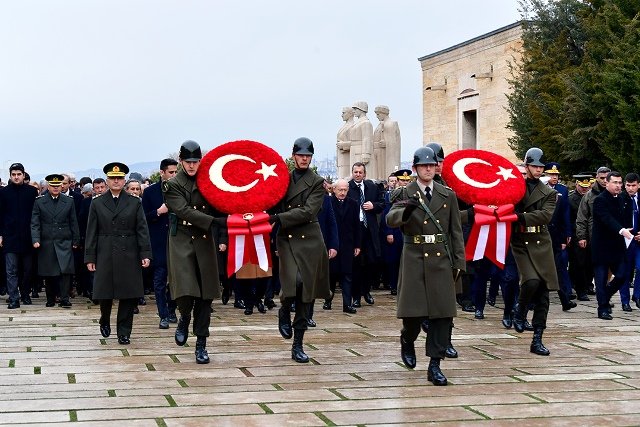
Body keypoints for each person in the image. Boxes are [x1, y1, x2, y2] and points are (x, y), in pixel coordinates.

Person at [386, 146, 465, 386]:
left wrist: (459, 262)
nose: (428, 169)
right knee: (414, 313)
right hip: (414, 257)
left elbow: (455, 231)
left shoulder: (446, 194)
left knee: (442, 315)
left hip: (441, 259)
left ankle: (435, 365)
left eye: (431, 165)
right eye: (423, 166)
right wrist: (406, 209)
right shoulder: (405, 192)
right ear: (415, 168)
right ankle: (407, 340)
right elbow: (390, 219)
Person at [163, 140, 225, 364]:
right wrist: (216, 221)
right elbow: (184, 210)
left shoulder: (208, 182)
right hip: (181, 240)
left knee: (205, 296)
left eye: (195, 161)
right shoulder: (172, 185)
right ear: (180, 162)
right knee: (186, 288)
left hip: (204, 241)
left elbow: (221, 202)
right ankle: (183, 316)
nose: (191, 166)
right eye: (188, 162)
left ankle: (201, 344)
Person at [270, 137, 331, 363]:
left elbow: (308, 211)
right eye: (301, 155)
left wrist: (277, 217)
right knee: (292, 283)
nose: (304, 159)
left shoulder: (316, 182)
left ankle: (298, 344)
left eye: (308, 156)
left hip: (310, 239)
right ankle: (284, 308)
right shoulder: (281, 179)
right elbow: (271, 200)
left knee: (307, 291)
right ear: (293, 156)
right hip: (286, 238)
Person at [85, 162, 152, 345]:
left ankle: (124, 331)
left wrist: (145, 253)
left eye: (119, 178)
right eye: (113, 178)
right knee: (105, 292)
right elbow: (91, 231)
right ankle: (104, 318)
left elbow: (142, 229)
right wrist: (90, 257)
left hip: (128, 251)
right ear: (107, 180)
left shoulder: (134, 202)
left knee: (128, 294)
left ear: (124, 181)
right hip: (105, 250)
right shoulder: (97, 203)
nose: (116, 181)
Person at [511, 148, 558, 356]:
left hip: (541, 241)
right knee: (531, 280)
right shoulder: (515, 188)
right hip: (520, 240)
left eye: (541, 167)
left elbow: (545, 216)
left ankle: (537, 338)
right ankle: (520, 310)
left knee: (543, 293)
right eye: (535, 166)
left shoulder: (548, 192)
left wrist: (519, 217)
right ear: (526, 165)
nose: (538, 170)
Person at [31, 174, 80, 307]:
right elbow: (35, 222)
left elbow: (73, 222)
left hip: (64, 240)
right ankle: (50, 298)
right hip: (47, 241)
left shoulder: (69, 201)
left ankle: (64, 299)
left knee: (65, 271)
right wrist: (35, 239)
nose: (56, 188)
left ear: (62, 186)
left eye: (58, 185)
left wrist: (76, 240)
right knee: (49, 272)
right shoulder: (39, 201)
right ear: (48, 186)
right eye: (53, 186)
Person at [142, 158, 179, 329]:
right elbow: (143, 218)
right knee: (159, 281)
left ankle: (172, 309)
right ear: (162, 172)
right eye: (171, 172)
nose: (174, 175)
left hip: (177, 241)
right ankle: (163, 314)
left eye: (176, 172)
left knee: (176, 280)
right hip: (158, 242)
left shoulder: (181, 190)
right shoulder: (150, 192)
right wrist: (158, 212)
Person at [592, 171, 634, 320]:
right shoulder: (600, 200)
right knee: (601, 279)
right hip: (602, 246)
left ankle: (605, 295)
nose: (618, 186)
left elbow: (628, 219)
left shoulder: (623, 199)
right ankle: (602, 308)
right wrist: (621, 230)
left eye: (619, 183)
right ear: (607, 183)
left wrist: (631, 230)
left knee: (623, 275)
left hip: (617, 246)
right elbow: (606, 219)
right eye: (614, 182)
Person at [0, 163, 39, 308]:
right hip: (9, 236)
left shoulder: (31, 192)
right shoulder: (3, 193)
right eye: (13, 174)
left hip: (28, 237)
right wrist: (0, 234)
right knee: (11, 270)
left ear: (23, 175)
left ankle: (25, 294)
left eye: (19, 174)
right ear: (10, 176)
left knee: (27, 269)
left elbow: (36, 215)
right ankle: (14, 298)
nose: (16, 177)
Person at [348, 162, 384, 307]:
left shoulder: (372, 187)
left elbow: (382, 203)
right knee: (355, 265)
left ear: (364, 174)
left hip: (369, 230)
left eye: (360, 172)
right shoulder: (348, 187)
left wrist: (373, 206)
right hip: (354, 231)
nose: (358, 174)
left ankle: (366, 291)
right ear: (352, 173)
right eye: (355, 172)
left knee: (370, 263)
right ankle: (356, 296)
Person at [324, 178, 360, 313]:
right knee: (331, 276)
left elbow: (357, 226)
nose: (343, 193)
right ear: (334, 189)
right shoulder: (328, 203)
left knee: (347, 275)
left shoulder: (353, 204)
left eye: (345, 190)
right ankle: (328, 300)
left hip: (347, 245)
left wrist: (357, 244)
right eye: (340, 190)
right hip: (332, 244)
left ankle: (347, 304)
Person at [544, 162, 576, 311]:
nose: (554, 177)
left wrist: (567, 234)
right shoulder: (540, 189)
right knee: (541, 268)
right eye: (551, 174)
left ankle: (565, 299)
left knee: (559, 267)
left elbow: (565, 214)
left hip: (557, 235)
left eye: (556, 175)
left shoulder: (562, 190)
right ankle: (531, 301)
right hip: (542, 233)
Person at [568, 173, 594, 301]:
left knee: (590, 262)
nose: (584, 189)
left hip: (591, 235)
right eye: (582, 186)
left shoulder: (592, 197)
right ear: (577, 184)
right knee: (579, 263)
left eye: (586, 186)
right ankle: (580, 290)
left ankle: (589, 285)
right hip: (576, 235)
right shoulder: (571, 199)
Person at [373, 105, 401, 181]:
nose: (377, 116)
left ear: (383, 113)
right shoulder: (381, 124)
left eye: (378, 114)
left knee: (383, 175)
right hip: (378, 152)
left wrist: (386, 143)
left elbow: (394, 142)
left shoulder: (390, 124)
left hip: (384, 154)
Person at [336, 106, 355, 179]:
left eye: (344, 113)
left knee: (345, 180)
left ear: (350, 114)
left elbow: (355, 142)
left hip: (347, 158)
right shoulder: (345, 126)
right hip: (342, 158)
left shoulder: (353, 126)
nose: (342, 115)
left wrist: (343, 145)